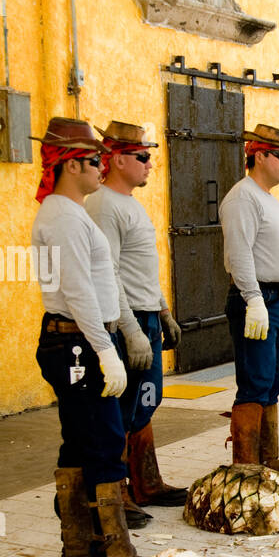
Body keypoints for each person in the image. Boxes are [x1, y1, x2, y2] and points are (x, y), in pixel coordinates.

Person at [30, 117, 144, 557]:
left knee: (79, 438)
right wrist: (105, 349)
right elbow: (78, 289)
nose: (101, 168)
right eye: (95, 160)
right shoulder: (61, 216)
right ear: (72, 164)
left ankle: (77, 542)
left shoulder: (67, 212)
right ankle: (115, 553)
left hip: (77, 338)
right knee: (103, 438)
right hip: (77, 340)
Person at [84, 120, 188, 510]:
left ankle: (147, 481)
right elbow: (108, 272)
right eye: (142, 157)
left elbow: (140, 267)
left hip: (147, 316)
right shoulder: (103, 205)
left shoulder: (130, 203)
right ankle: (122, 491)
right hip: (130, 321)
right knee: (123, 410)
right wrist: (131, 330)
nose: (149, 164)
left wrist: (163, 311)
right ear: (116, 159)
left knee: (146, 401)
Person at [218, 123, 279, 478]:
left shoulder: (267, 197)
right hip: (259, 298)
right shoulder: (243, 198)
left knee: (274, 380)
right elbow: (239, 255)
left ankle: (268, 458)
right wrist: (254, 300)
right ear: (259, 155)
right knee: (255, 380)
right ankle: (247, 465)